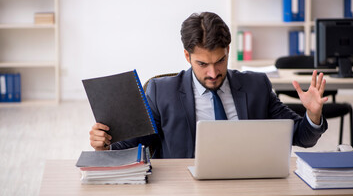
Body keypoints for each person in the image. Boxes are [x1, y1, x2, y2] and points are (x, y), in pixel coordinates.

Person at [89, 12, 328, 158]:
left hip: (247, 184)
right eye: (202, 63)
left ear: (228, 51)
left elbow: (302, 137)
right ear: (187, 56)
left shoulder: (257, 86)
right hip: (185, 192)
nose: (213, 73)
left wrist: (313, 114)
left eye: (220, 61)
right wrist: (105, 144)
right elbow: (128, 149)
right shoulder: (161, 92)